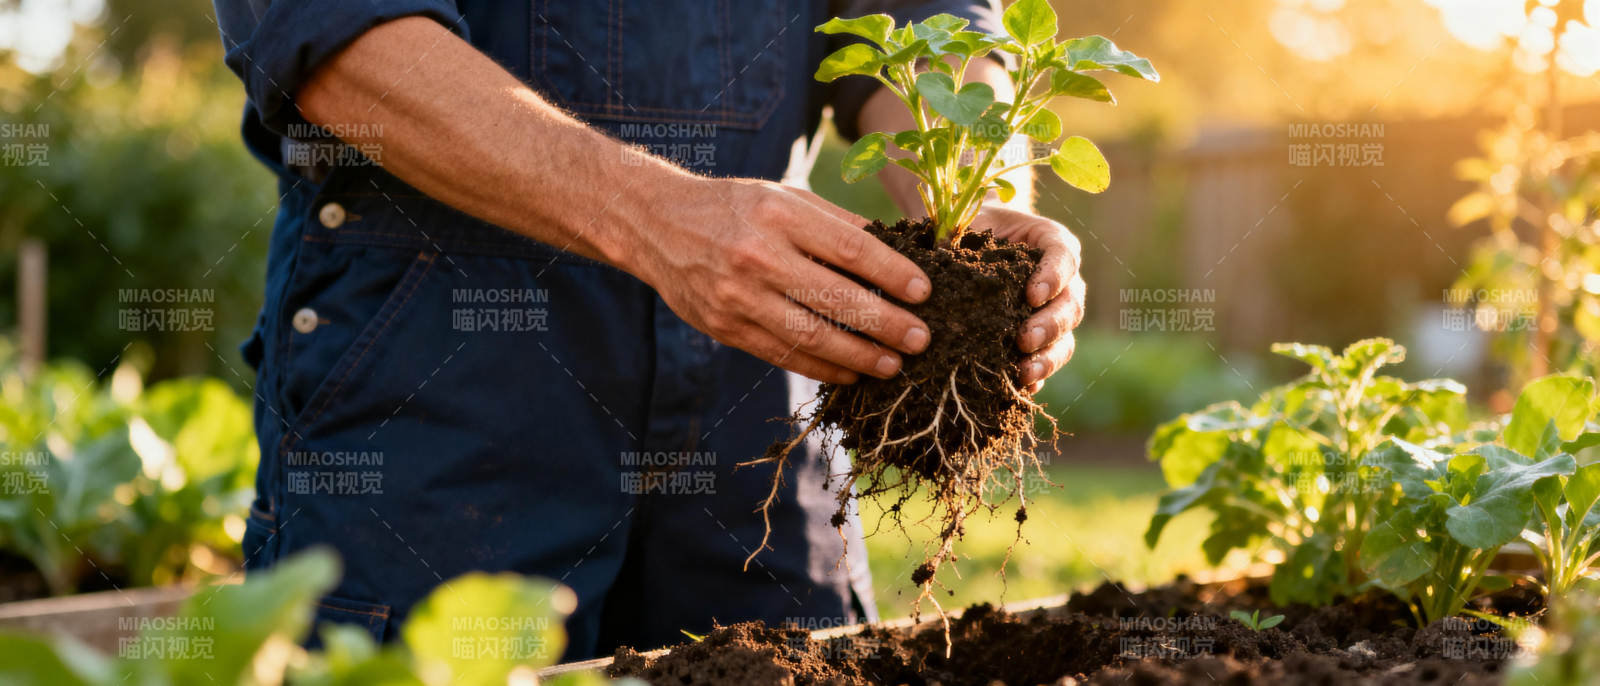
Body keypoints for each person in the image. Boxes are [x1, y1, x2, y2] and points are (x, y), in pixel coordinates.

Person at [211, 0, 1084, 661]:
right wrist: (655, 218)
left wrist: (980, 213)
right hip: (440, 383)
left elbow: (930, 25)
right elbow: (327, 30)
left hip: (758, 411)